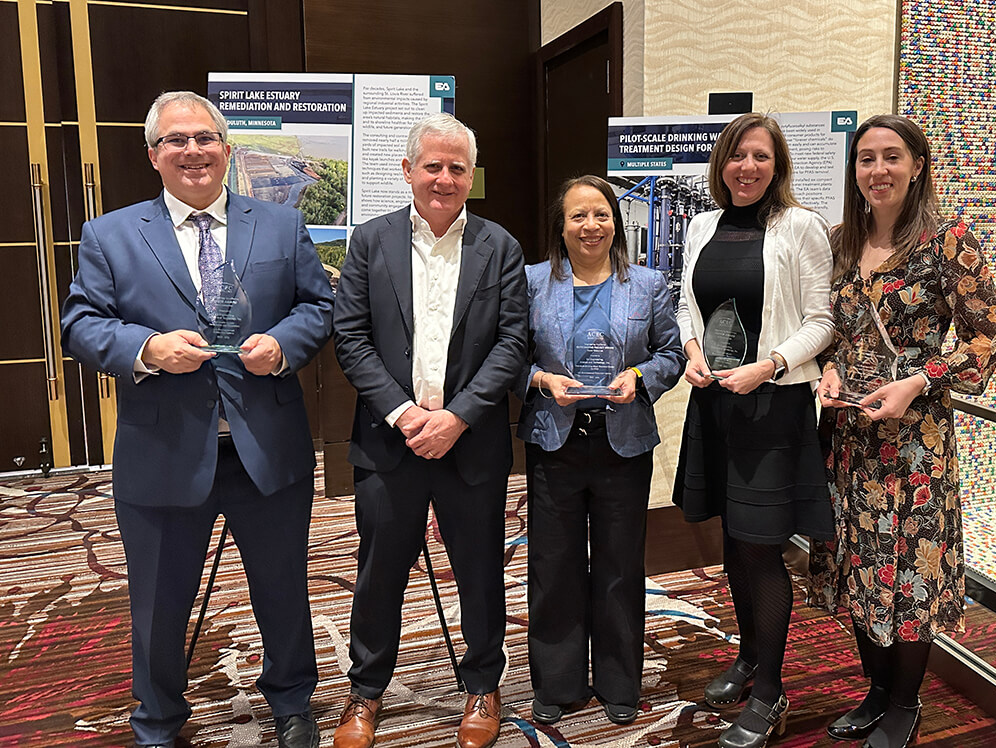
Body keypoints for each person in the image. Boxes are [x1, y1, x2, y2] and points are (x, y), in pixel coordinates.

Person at [60, 91, 333, 748]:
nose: (192, 151)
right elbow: (81, 324)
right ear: (153, 155)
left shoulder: (282, 225)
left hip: (267, 447)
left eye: (205, 137)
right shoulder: (110, 234)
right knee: (158, 600)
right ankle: (157, 720)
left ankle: (292, 701)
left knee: (282, 588)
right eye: (175, 140)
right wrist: (148, 348)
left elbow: (318, 308)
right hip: (164, 450)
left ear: (227, 148)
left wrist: (283, 345)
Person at [810, 114, 996, 748]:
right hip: (849, 436)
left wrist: (920, 380)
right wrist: (829, 369)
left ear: (917, 166)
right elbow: (830, 331)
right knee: (859, 561)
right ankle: (875, 691)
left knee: (908, 567)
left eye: (891, 156)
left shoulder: (948, 241)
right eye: (866, 158)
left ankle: (904, 701)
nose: (878, 170)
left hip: (915, 442)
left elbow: (989, 335)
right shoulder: (840, 243)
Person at [330, 113, 527, 748]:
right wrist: (404, 412)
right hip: (390, 441)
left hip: (471, 443)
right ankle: (365, 691)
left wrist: (457, 416)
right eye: (432, 166)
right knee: (379, 572)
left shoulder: (500, 246)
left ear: (472, 175)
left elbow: (512, 342)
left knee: (479, 571)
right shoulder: (370, 241)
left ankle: (483, 685)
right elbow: (350, 337)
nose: (444, 178)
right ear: (408, 170)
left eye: (457, 168)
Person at [673, 112, 835, 748]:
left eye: (761, 156)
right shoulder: (701, 225)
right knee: (734, 540)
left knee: (762, 546)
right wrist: (692, 351)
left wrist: (769, 366)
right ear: (722, 163)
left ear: (778, 165)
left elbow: (822, 321)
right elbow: (688, 305)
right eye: (738, 155)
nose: (748, 167)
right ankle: (748, 657)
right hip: (715, 403)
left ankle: (770, 691)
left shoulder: (801, 226)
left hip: (773, 404)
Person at [519, 175, 685, 727]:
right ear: (561, 225)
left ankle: (618, 680)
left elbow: (670, 354)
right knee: (553, 565)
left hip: (623, 443)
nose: (590, 226)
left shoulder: (648, 284)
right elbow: (509, 356)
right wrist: (543, 380)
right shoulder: (532, 282)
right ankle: (558, 681)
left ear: (616, 221)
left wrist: (638, 376)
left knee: (620, 565)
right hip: (555, 440)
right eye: (578, 216)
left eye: (601, 214)